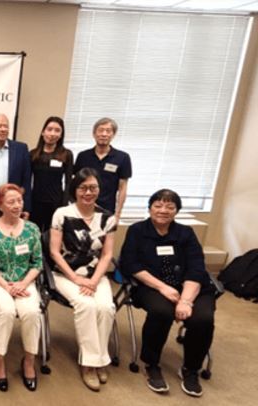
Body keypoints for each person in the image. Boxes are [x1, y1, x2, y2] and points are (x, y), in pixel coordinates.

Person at [120, 189, 215, 397]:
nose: (163, 210)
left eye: (170, 207)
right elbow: (130, 264)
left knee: (203, 318)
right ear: (150, 208)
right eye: (158, 205)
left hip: (191, 287)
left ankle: (191, 369)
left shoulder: (186, 233)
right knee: (161, 312)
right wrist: (163, 287)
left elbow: (197, 267)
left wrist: (186, 301)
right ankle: (151, 363)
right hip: (151, 286)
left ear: (176, 211)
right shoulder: (137, 230)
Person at [48, 167, 117, 392]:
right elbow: (55, 253)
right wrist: (76, 278)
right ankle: (89, 364)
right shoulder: (62, 214)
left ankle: (99, 359)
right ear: (75, 190)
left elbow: (107, 254)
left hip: (96, 275)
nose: (88, 192)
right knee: (86, 305)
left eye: (93, 188)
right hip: (66, 274)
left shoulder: (108, 217)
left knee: (106, 307)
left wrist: (95, 280)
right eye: (83, 187)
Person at [0, 183, 42, 392]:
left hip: (25, 282)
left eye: (19, 201)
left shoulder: (32, 229)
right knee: (5, 311)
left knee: (32, 312)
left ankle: (29, 361)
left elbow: (37, 263)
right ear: (0, 205)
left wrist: (23, 283)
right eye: (11, 202)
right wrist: (6, 286)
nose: (16, 205)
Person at [74, 117, 131, 219]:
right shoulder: (83, 156)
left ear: (113, 135)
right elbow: (75, 184)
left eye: (108, 131)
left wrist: (118, 215)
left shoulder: (122, 157)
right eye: (100, 130)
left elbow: (123, 188)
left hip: (107, 210)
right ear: (94, 134)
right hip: (82, 209)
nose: (104, 134)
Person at [29, 116, 74, 232]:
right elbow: (27, 180)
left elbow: (69, 182)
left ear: (61, 135)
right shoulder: (33, 154)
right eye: (49, 129)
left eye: (57, 130)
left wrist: (65, 205)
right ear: (43, 132)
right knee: (35, 235)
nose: (52, 133)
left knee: (52, 236)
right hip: (36, 203)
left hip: (56, 204)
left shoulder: (67, 155)